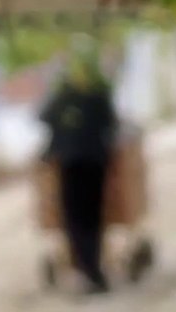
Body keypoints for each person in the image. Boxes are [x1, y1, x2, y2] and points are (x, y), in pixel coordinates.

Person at [39, 46, 118, 295]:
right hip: (93, 163)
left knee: (75, 219)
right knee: (91, 218)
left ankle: (88, 269)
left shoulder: (64, 96)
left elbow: (43, 117)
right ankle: (92, 269)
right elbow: (111, 125)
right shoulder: (98, 94)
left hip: (72, 164)